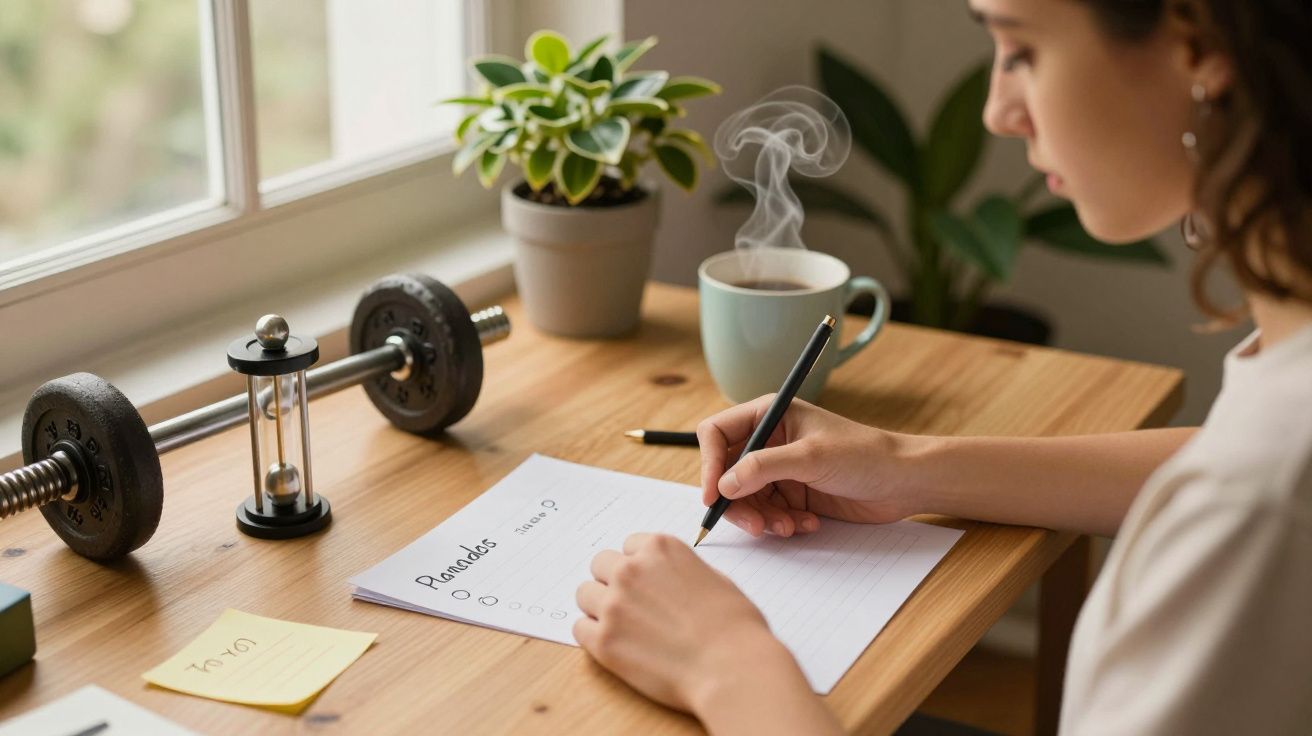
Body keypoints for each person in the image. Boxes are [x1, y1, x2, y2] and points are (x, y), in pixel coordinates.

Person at [573, 0, 1312, 733]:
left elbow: (1251, 486)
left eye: (1022, 52)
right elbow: (1221, 457)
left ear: (1198, 46)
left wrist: (726, 666)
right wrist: (905, 466)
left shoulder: (1258, 505)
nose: (998, 112)